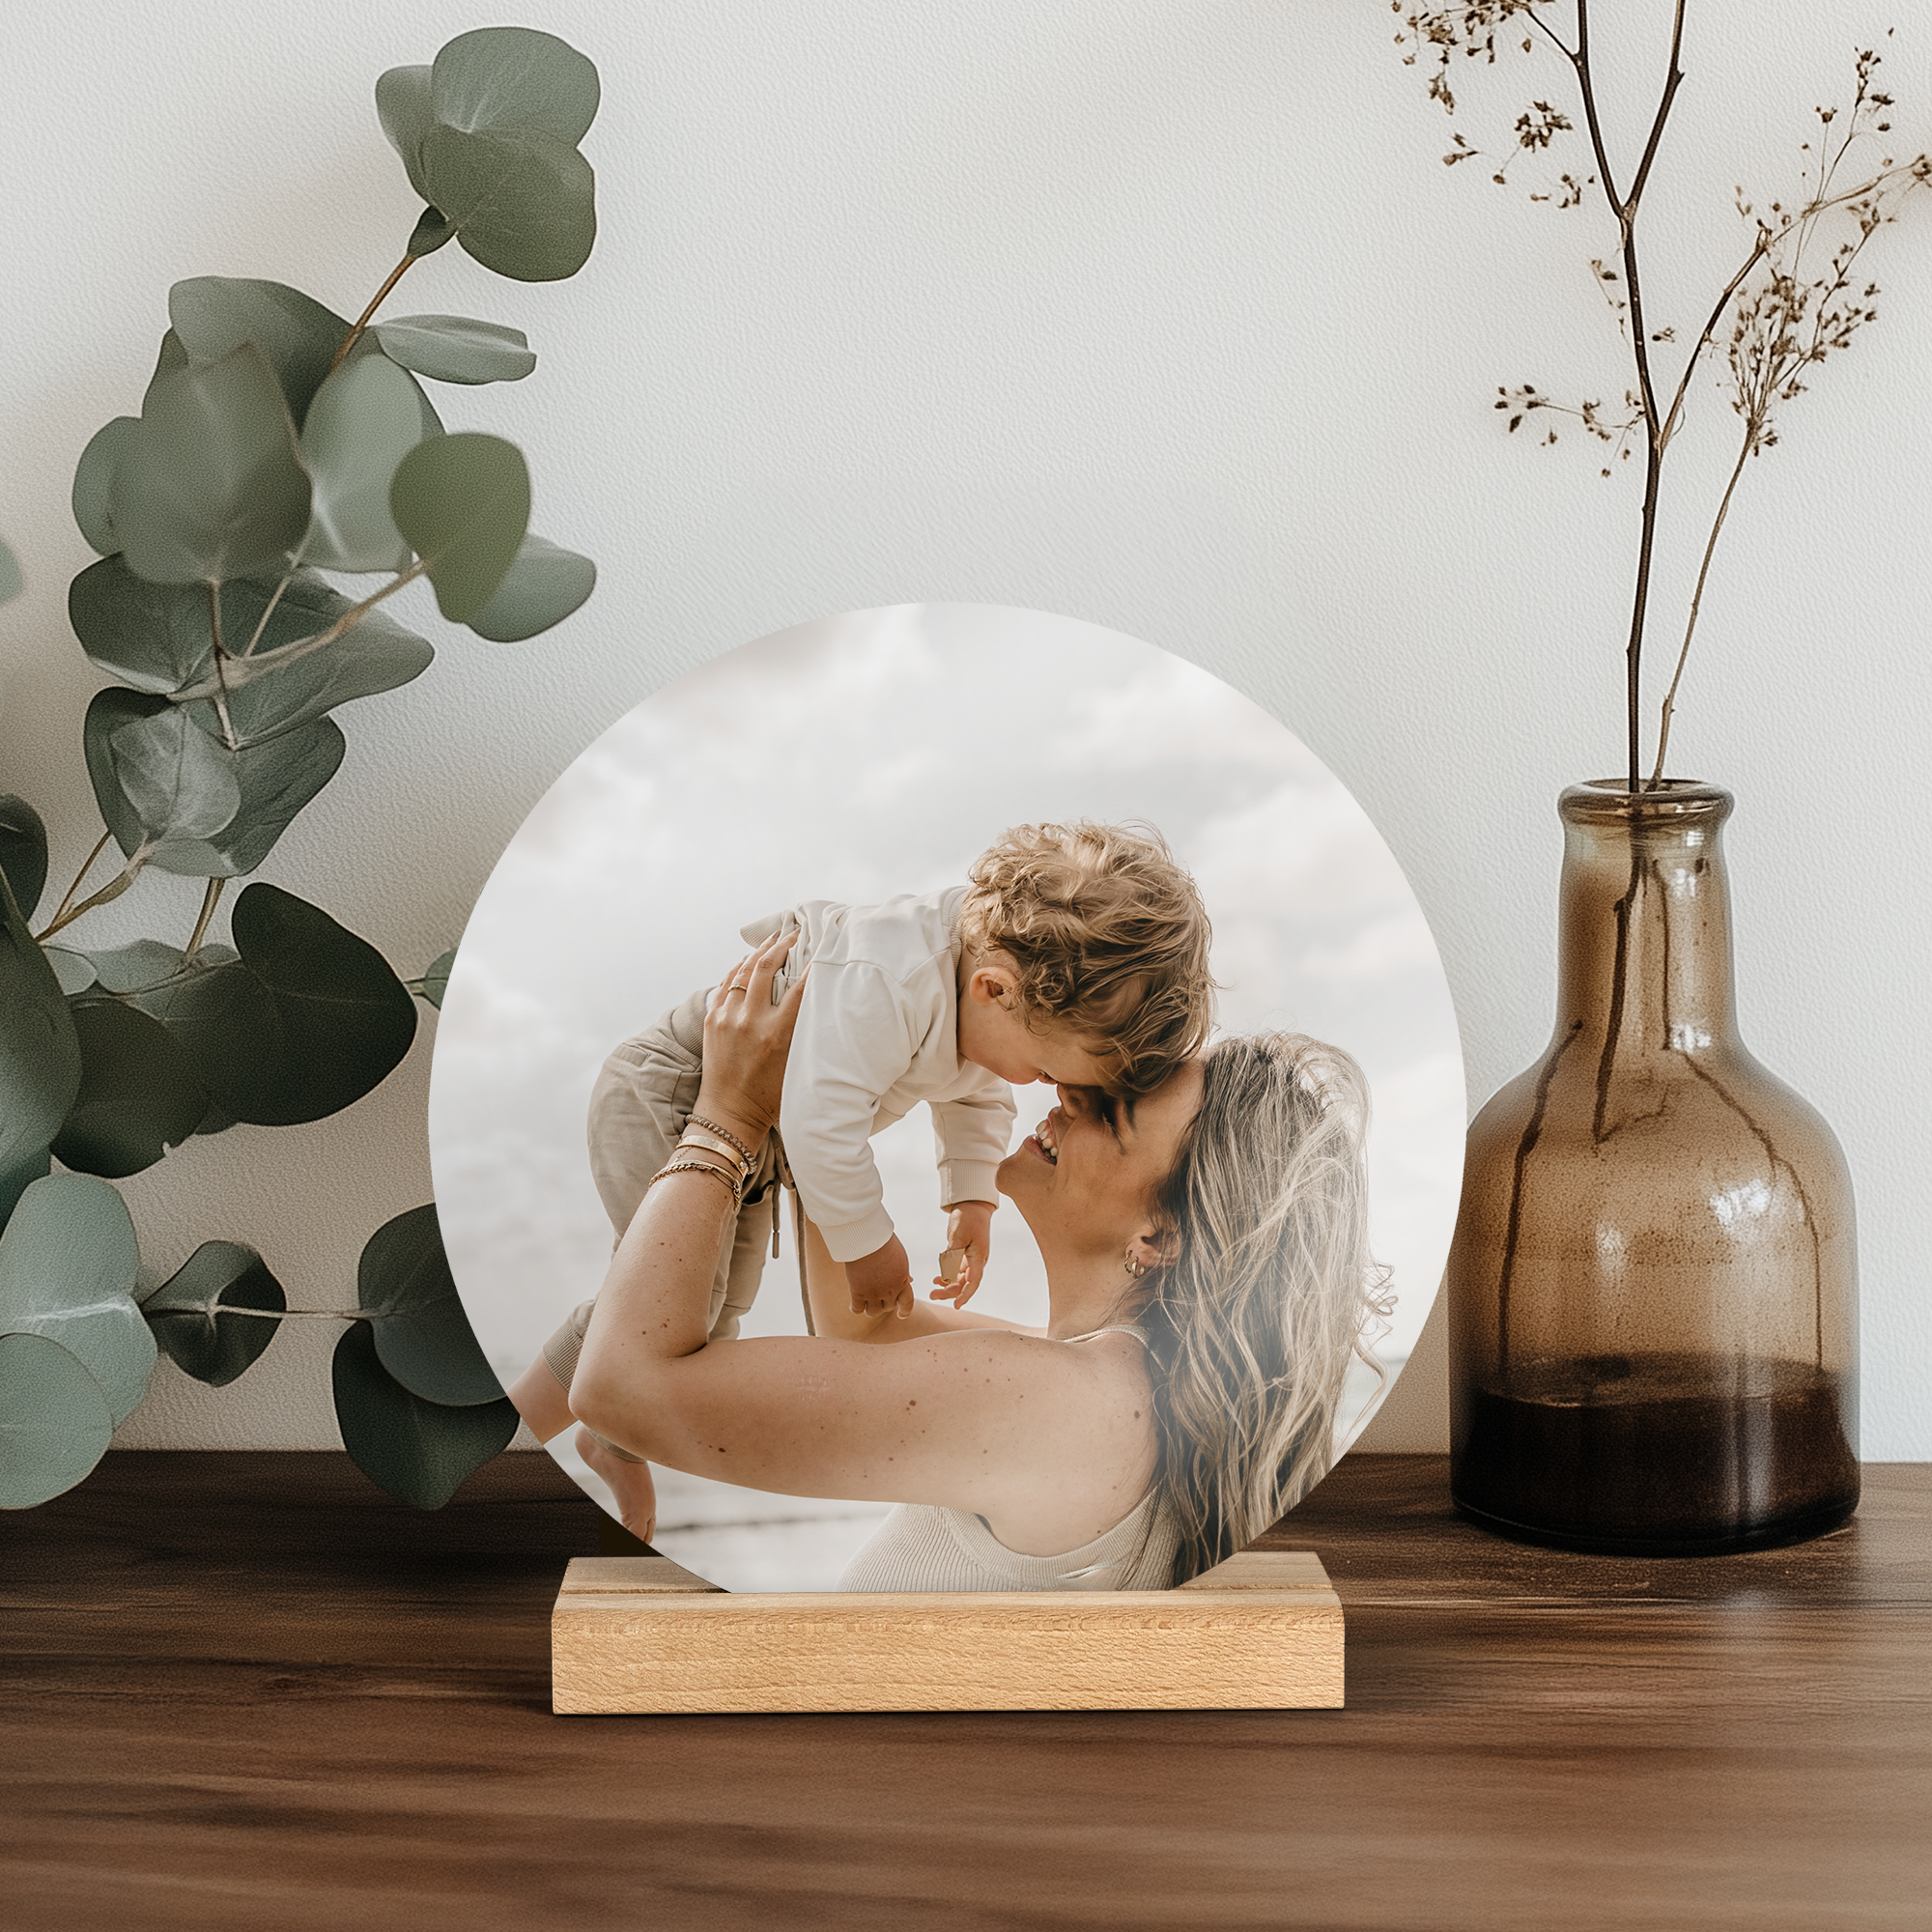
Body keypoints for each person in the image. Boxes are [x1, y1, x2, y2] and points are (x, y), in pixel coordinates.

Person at [550, 926, 1386, 1588]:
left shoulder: (1065, 1403)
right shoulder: (1116, 1385)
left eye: (1113, 1111)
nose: (1069, 1090)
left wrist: (728, 1113)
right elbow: (862, 1329)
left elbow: (622, 1391)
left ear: (1159, 1239)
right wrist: (825, 1081)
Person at [511, 820, 1217, 1541]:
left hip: (751, 1122)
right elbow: (819, 1122)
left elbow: (974, 1099)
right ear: (994, 988)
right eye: (1047, 1072)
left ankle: (579, 1441)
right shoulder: (891, 979)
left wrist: (971, 1199)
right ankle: (520, 1443)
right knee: (671, 1312)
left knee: (704, 1319)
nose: (1058, 1095)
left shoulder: (992, 1007)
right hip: (675, 1090)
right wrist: (867, 1244)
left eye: (1107, 1111)